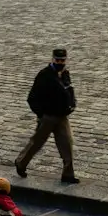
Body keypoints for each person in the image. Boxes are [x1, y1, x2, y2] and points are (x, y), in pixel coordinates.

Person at [16, 48, 79, 184]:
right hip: (48, 117)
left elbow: (69, 89)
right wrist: (41, 113)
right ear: (52, 59)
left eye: (63, 60)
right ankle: (21, 163)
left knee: (67, 144)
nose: (60, 62)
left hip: (62, 116)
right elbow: (32, 98)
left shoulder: (65, 73)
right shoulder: (44, 75)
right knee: (37, 143)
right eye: (58, 60)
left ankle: (68, 174)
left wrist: (72, 103)